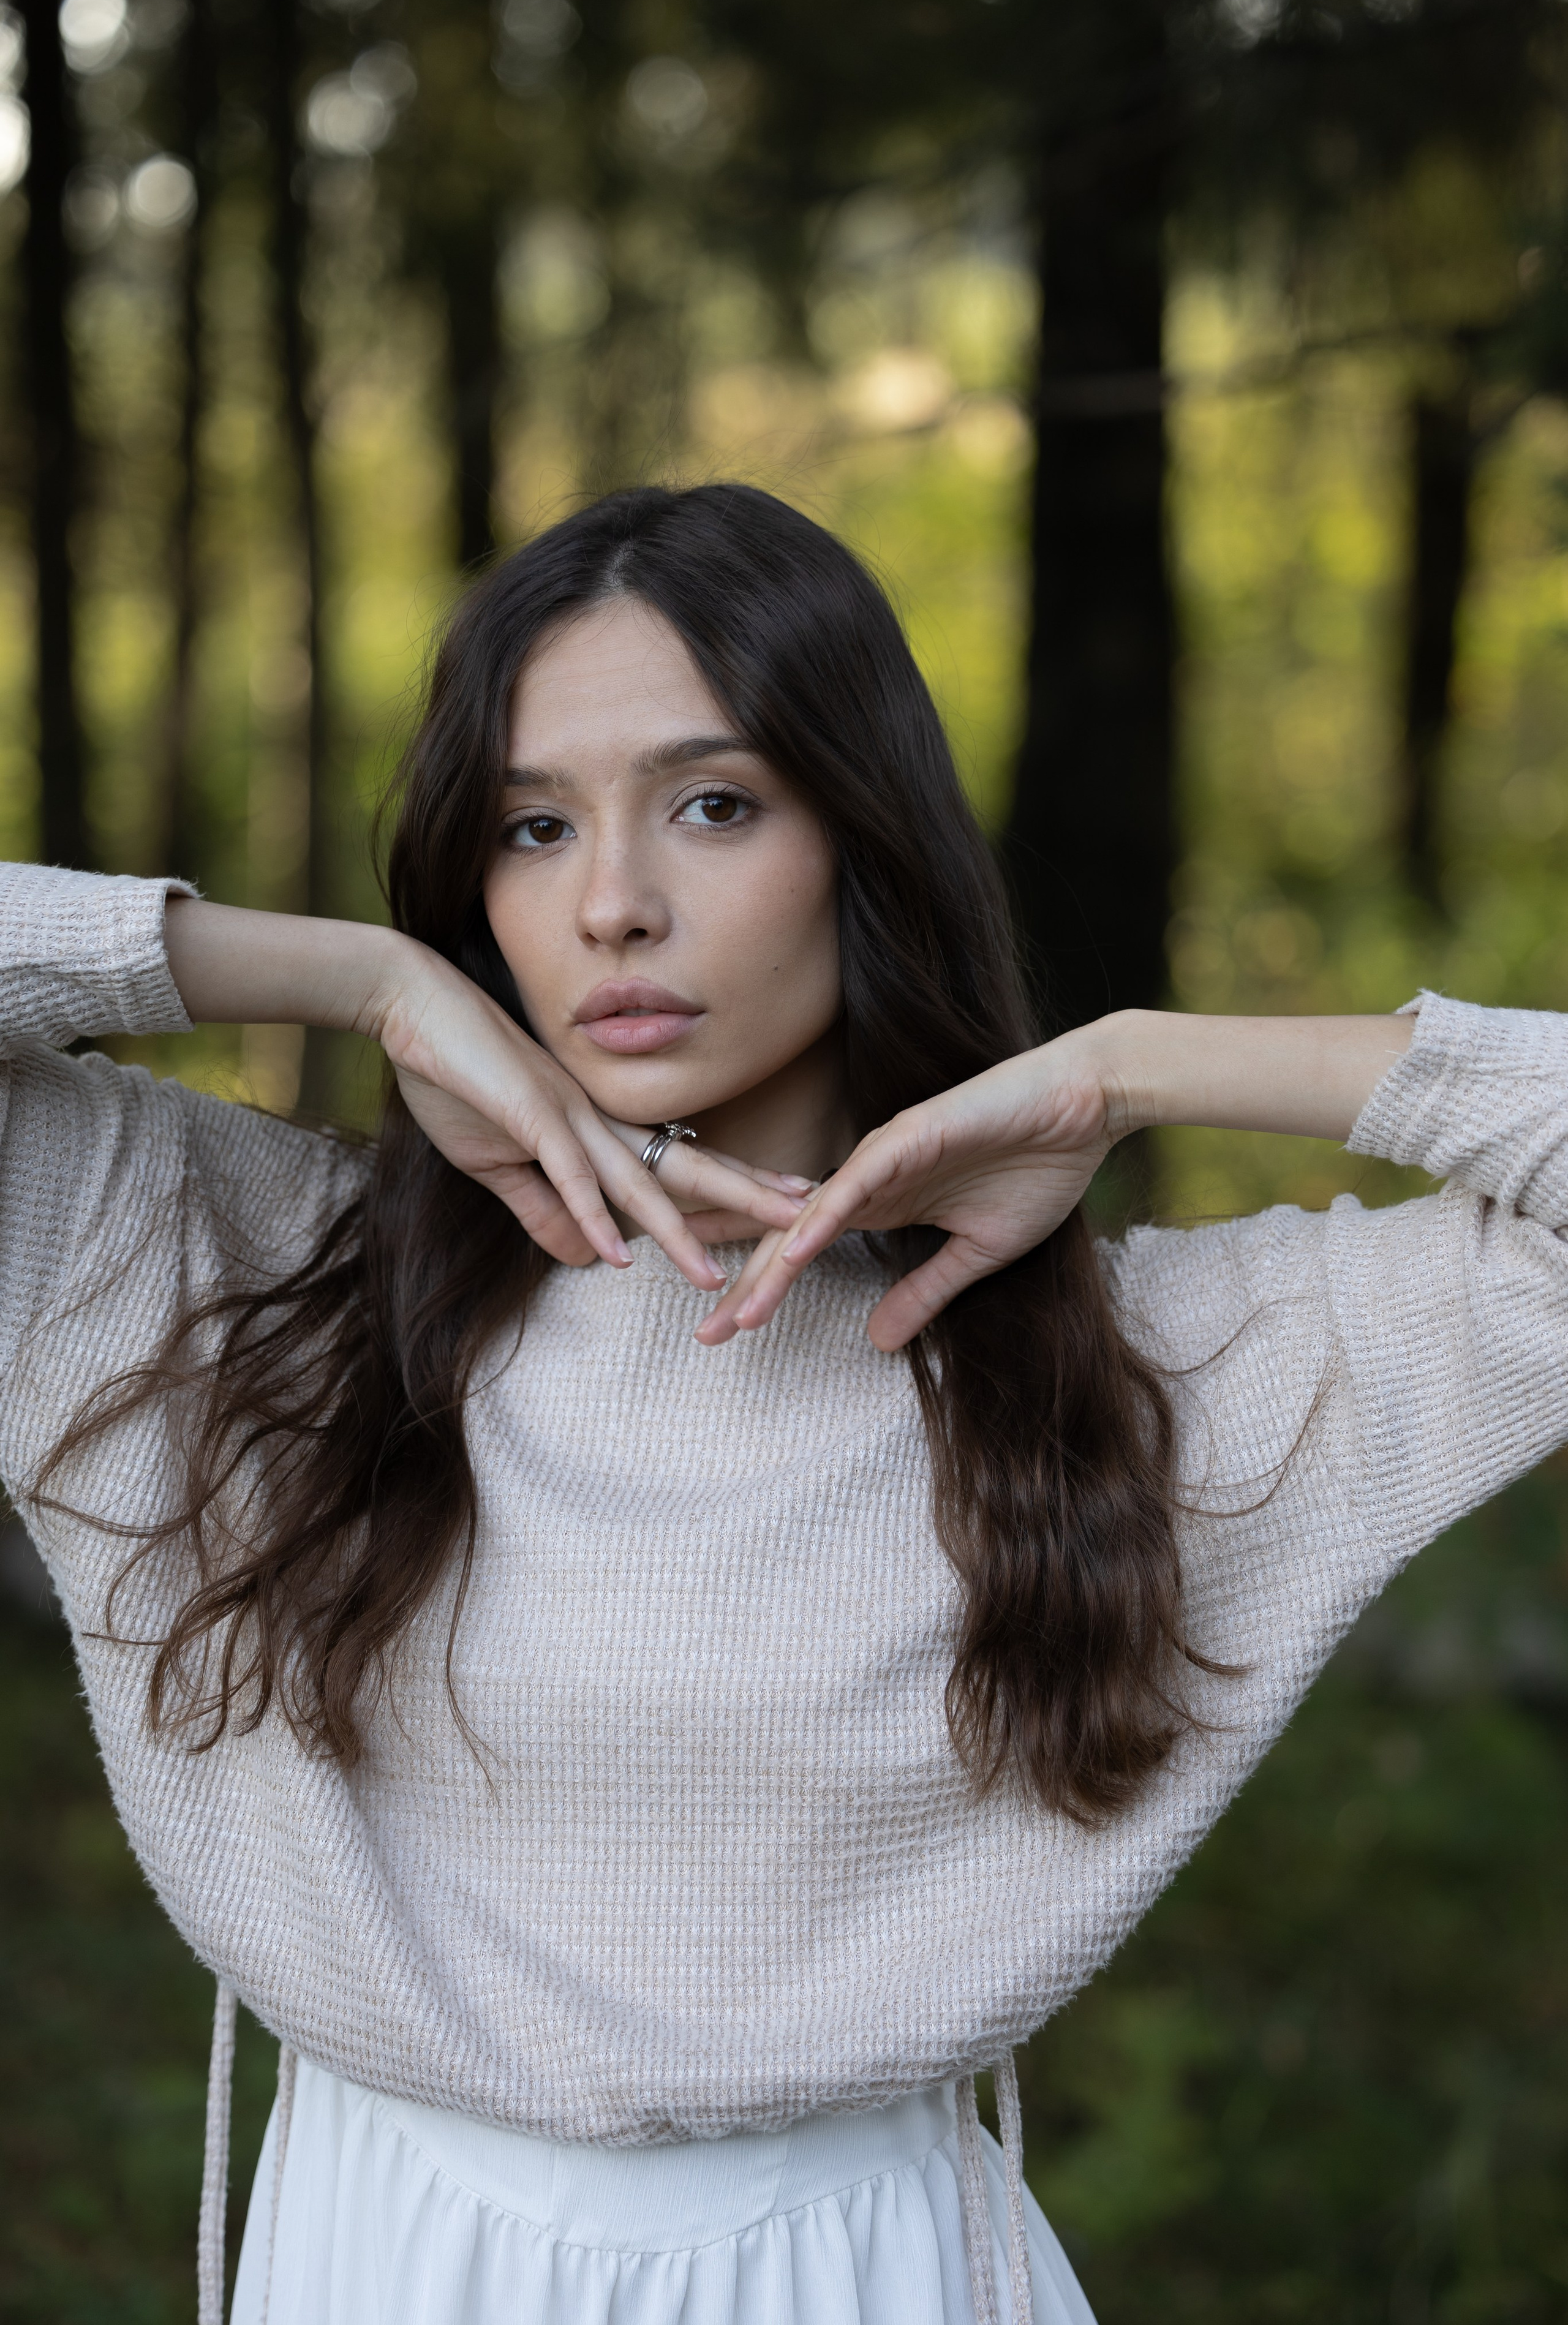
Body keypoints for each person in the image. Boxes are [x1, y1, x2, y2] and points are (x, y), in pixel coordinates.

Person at [5, 482, 1566, 2325]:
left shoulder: (1117, 1363)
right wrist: (357, 975)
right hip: (372, 2257)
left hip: (873, 2272)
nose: (611, 905)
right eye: (531, 826)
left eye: (715, 805)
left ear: (863, 837)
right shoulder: (236, 1271)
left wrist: (1131, 1070)